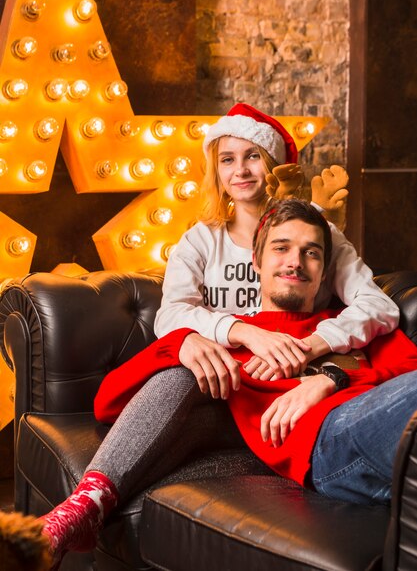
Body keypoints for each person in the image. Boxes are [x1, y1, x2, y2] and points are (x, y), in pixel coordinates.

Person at [1, 199, 416, 571]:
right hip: (333, 443)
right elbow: (109, 401)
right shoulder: (234, 339)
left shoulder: (352, 327)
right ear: (256, 261)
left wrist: (330, 376)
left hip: (382, 426)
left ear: (325, 269)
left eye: (312, 252)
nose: (296, 261)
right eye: (282, 247)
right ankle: (82, 509)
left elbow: (408, 369)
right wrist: (183, 342)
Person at [154, 103, 399, 386]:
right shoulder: (200, 240)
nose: (241, 170)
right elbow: (170, 316)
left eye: (253, 156)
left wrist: (311, 346)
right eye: (227, 159)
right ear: (216, 172)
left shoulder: (318, 235)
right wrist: (245, 332)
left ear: (273, 163)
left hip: (297, 376)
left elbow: (377, 304)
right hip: (226, 380)